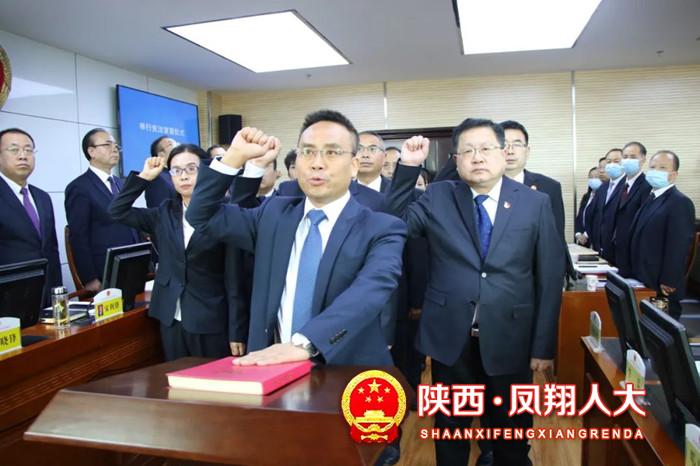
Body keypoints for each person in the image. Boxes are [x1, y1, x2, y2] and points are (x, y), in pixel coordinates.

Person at [386, 118, 564, 466]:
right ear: (456, 159)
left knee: (512, 433)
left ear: (503, 152)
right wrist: (408, 167)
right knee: (450, 431)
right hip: (450, 338)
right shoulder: (438, 196)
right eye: (467, 151)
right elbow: (392, 223)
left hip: (512, 337)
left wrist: (543, 346)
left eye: (485, 148)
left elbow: (549, 275)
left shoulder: (535, 202)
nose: (477, 157)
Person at [186, 110, 407, 366]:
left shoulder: (382, 228)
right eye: (308, 152)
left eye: (332, 152)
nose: (317, 163)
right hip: (269, 365)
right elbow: (201, 215)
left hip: (347, 369)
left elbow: (367, 293)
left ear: (354, 165)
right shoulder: (273, 214)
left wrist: (305, 343)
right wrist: (234, 157)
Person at [109, 144, 248, 360]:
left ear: (207, 172)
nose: (184, 176)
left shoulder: (226, 213)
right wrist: (144, 178)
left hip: (210, 319)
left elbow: (235, 278)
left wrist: (237, 330)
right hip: (170, 318)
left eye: (191, 169)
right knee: (175, 377)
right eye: (176, 170)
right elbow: (117, 211)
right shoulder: (165, 212)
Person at [65, 128, 140, 292]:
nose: (114, 149)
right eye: (107, 145)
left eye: (116, 145)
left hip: (132, 263)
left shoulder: (121, 183)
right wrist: (89, 278)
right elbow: (78, 235)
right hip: (104, 269)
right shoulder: (79, 187)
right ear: (91, 151)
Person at [629, 150, 695, 319]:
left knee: (662, 328)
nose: (655, 171)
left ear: (674, 174)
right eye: (652, 167)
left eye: (663, 168)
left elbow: (679, 245)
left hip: (662, 284)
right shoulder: (651, 198)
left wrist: (670, 279)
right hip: (644, 277)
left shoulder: (679, 202)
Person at [0, 128, 61, 303]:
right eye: (14, 150)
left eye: (28, 150)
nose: (23, 156)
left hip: (46, 294)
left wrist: (57, 293)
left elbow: (51, 249)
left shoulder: (42, 197)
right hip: (9, 297)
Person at [613, 142, 652, 277]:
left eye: (633, 157)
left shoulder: (647, 186)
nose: (628, 160)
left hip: (633, 252)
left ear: (643, 159)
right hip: (616, 250)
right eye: (625, 157)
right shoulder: (620, 185)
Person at [590, 148, 625, 257]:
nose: (612, 165)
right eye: (609, 162)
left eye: (616, 161)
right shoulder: (603, 187)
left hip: (619, 250)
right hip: (600, 248)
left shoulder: (627, 187)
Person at [145, 136, 178, 207]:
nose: (176, 146)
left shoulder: (176, 175)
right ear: (161, 154)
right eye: (170, 144)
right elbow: (159, 209)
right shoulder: (157, 178)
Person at [574, 167, 602, 245]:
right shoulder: (586, 196)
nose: (593, 179)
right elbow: (579, 217)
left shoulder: (603, 197)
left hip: (594, 239)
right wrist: (578, 234)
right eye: (591, 177)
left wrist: (586, 235)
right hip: (582, 241)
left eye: (596, 177)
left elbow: (597, 220)